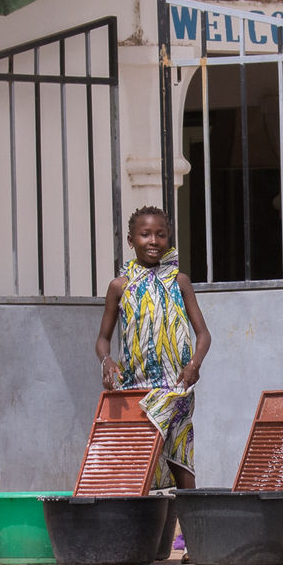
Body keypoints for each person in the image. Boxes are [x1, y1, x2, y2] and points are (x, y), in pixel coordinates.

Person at [95, 206, 211, 494]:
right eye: (145, 234)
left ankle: (190, 536)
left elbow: (204, 335)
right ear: (131, 240)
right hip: (137, 390)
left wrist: (194, 364)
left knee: (180, 462)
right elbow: (102, 340)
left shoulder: (179, 282)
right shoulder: (119, 287)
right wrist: (107, 362)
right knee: (141, 465)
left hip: (176, 388)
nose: (154, 241)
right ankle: (151, 535)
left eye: (161, 234)